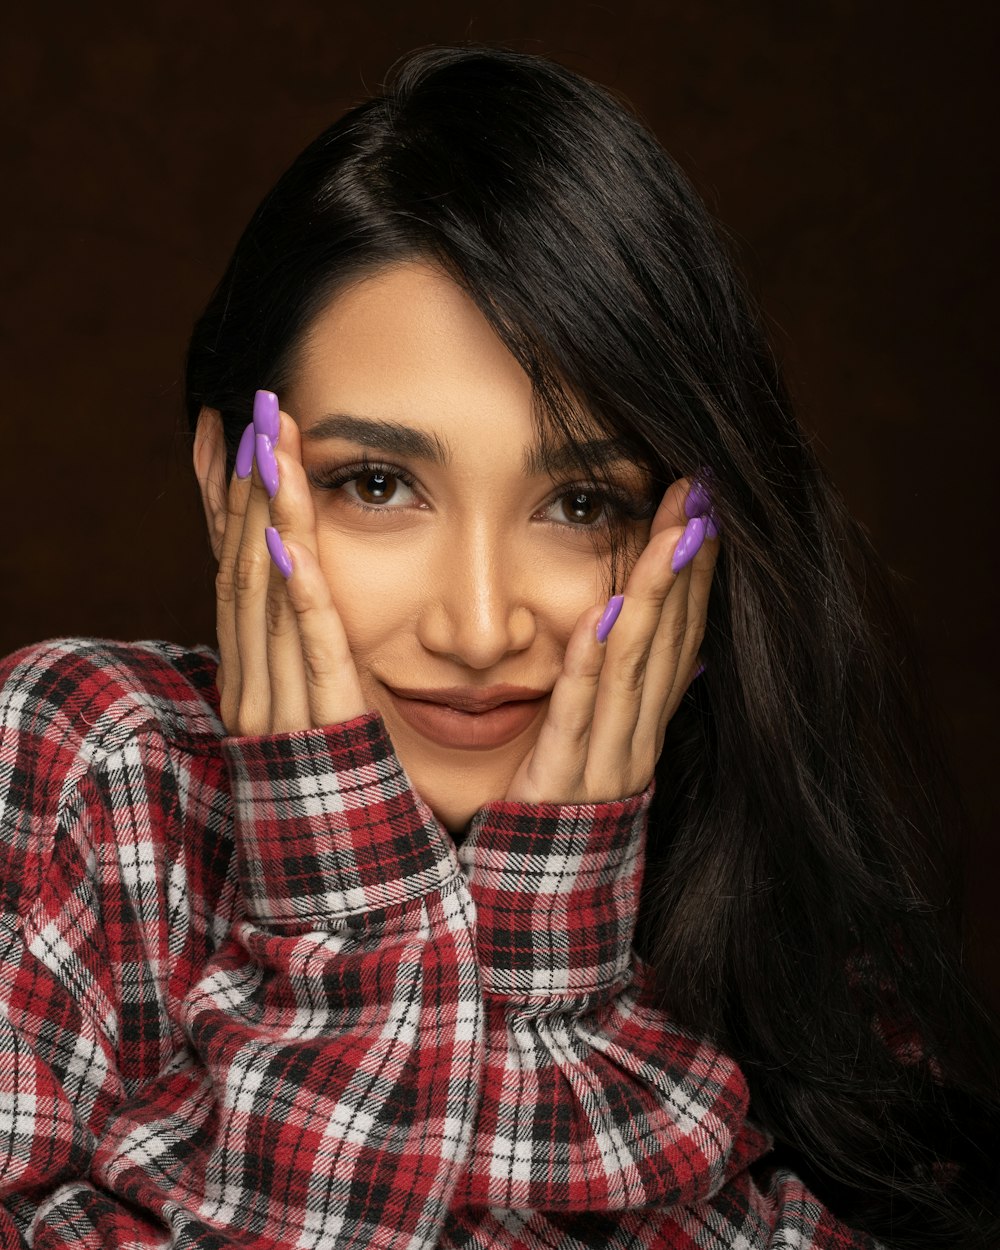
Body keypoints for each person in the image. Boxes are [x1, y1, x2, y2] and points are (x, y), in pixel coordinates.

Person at [0, 43, 996, 1250]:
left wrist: (547, 951)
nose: (479, 625)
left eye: (580, 504)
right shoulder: (80, 765)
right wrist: (347, 919)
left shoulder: (774, 896)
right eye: (377, 483)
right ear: (229, 487)